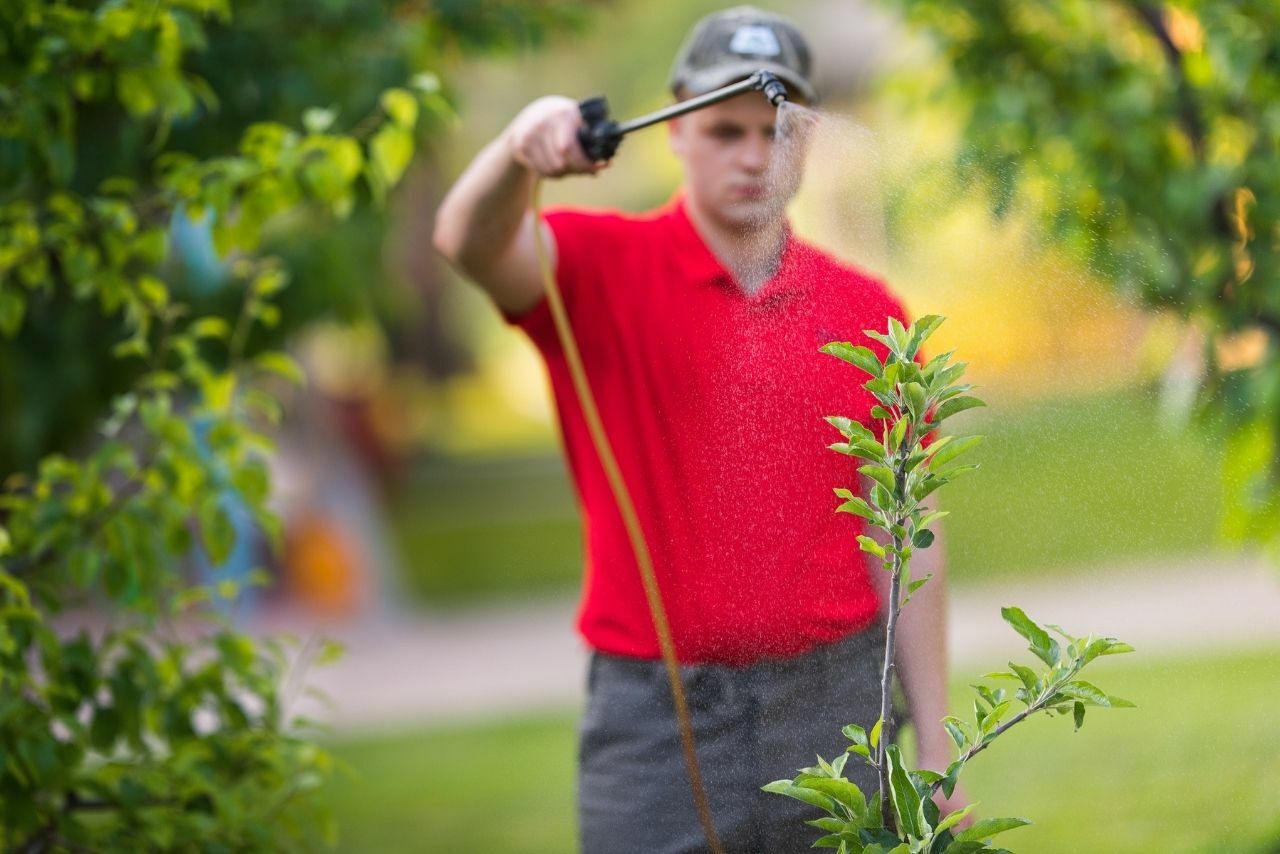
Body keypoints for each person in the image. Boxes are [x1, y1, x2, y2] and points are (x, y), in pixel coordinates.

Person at [433, 7, 965, 852]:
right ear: (677, 125)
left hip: (836, 707)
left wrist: (936, 736)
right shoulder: (597, 268)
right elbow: (464, 240)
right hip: (658, 721)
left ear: (809, 137)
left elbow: (907, 532)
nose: (754, 155)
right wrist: (516, 146)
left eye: (776, 130)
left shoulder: (869, 315)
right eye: (725, 130)